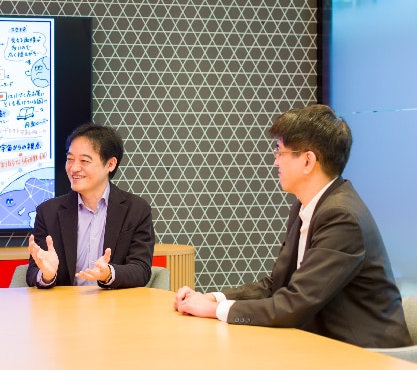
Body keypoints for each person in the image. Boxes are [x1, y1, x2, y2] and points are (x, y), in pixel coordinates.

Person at [173, 104, 411, 348]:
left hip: (367, 354)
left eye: (280, 151)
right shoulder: (307, 205)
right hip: (326, 345)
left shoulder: (341, 217)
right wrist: (213, 298)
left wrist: (214, 310)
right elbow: (277, 285)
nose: (275, 162)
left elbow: (294, 304)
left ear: (308, 160)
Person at [27, 123, 155, 288]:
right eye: (70, 159)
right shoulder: (48, 212)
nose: (74, 168)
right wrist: (47, 275)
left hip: (114, 302)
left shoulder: (136, 210)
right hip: (64, 303)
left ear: (110, 164)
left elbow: (141, 269)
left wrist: (109, 273)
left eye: (84, 161)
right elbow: (33, 272)